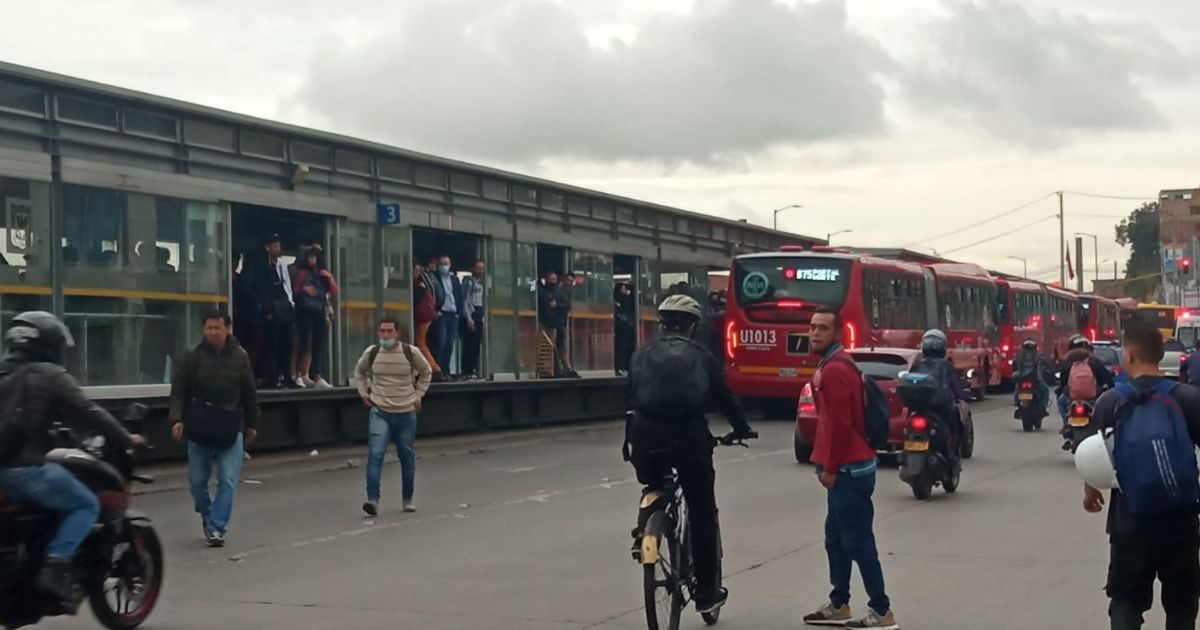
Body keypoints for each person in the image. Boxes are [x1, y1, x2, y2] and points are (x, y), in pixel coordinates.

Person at [0, 311, 143, 607]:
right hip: (23, 471)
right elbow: (89, 412)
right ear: (49, 344)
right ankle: (56, 565)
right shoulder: (49, 375)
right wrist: (126, 438)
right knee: (85, 503)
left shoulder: (4, 373)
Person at [626, 294, 755, 615]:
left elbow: (629, 397)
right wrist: (741, 429)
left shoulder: (641, 353)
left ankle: (646, 526)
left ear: (662, 324)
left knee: (654, 483)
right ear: (693, 326)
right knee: (701, 510)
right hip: (689, 437)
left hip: (646, 435)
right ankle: (707, 593)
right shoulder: (702, 356)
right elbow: (726, 399)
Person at [1082, 321, 1200, 630]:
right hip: (1181, 520)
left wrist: (1090, 491)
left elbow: (1096, 454)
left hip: (1129, 521)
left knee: (1126, 601)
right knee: (1182, 605)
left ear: (1130, 354)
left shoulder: (1110, 401)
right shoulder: (1188, 399)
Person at [803, 307, 898, 630]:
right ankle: (839, 602)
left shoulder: (835, 370)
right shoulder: (833, 363)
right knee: (836, 539)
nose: (815, 333)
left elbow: (840, 425)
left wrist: (829, 468)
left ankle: (881, 610)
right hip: (845, 467)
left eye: (823, 328)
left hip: (848, 470)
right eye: (813, 327)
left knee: (858, 541)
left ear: (837, 333)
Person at [169, 312, 260, 548]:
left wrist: (252, 424)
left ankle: (217, 527)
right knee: (197, 481)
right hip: (200, 425)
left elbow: (249, 393)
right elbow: (178, 391)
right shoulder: (192, 357)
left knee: (228, 479)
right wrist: (177, 419)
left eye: (217, 328)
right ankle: (207, 512)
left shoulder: (240, 357)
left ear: (227, 329)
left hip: (230, 426)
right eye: (209, 328)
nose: (213, 332)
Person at [355, 318, 433, 515]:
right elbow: (360, 372)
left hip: (406, 412)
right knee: (376, 455)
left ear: (397, 333)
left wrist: (418, 395)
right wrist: (364, 393)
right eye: (382, 331)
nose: (386, 335)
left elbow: (426, 372)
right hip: (380, 411)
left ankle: (408, 499)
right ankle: (372, 500)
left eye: (390, 331)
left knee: (407, 457)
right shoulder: (372, 353)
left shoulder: (410, 352)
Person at [909, 329, 967, 467]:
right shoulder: (946, 365)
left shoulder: (917, 364)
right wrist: (962, 396)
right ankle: (951, 455)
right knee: (955, 422)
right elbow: (955, 387)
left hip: (918, 406)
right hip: (940, 409)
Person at [250, 233, 296, 389]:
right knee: (271, 345)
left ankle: (288, 377)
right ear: (267, 247)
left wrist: (290, 302)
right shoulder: (262, 266)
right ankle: (271, 377)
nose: (278, 248)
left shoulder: (282, 265)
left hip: (284, 307)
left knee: (287, 344)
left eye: (279, 245)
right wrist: (266, 308)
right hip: (270, 308)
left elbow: (287, 285)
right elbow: (260, 289)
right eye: (275, 245)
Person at [1056, 334, 1115, 450]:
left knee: (1060, 402)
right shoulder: (1095, 362)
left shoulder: (1067, 363)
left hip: (1072, 398)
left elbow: (1062, 383)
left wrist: (1061, 391)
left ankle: (1066, 425)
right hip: (1094, 397)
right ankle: (1101, 428)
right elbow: (1107, 380)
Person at [292, 247, 339, 388]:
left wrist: (329, 277)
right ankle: (299, 373)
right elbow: (295, 291)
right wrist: (304, 290)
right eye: (309, 257)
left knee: (318, 344)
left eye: (314, 257)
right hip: (305, 311)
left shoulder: (323, 273)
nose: (311, 260)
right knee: (304, 343)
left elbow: (334, 291)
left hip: (319, 310)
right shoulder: (302, 273)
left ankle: (317, 375)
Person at [431, 255, 463, 379]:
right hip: (441, 314)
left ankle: (446, 371)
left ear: (450, 265)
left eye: (446, 264)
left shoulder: (454, 279)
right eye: (442, 264)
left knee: (450, 345)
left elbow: (459, 295)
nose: (444, 266)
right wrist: (436, 311)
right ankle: (438, 372)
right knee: (441, 342)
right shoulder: (435, 278)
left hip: (453, 314)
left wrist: (458, 312)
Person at [412, 259, 442, 380]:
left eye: (417, 270)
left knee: (420, 343)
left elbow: (415, 298)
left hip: (423, 316)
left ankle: (434, 369)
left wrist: (419, 288)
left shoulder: (420, 283)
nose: (417, 273)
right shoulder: (426, 279)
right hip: (426, 315)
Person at [459, 260, 486, 380]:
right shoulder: (468, 282)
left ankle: (472, 369)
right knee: (469, 344)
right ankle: (466, 371)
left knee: (476, 345)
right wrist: (468, 318)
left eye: (482, 269)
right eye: (478, 268)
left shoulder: (480, 283)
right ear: (473, 269)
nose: (480, 271)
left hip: (479, 315)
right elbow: (465, 300)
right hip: (471, 315)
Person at [1011, 338, 1052, 416]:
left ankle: (1017, 406)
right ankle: (1043, 407)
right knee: (1045, 390)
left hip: (1021, 379)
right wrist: (1049, 370)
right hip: (1036, 380)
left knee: (1017, 390)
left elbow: (1014, 365)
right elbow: (1047, 364)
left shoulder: (1018, 356)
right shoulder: (1039, 356)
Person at [613, 282, 636, 376]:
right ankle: (620, 367)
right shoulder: (620, 300)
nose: (625, 290)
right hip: (622, 327)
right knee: (621, 348)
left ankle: (625, 366)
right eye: (623, 288)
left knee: (626, 347)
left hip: (625, 327)